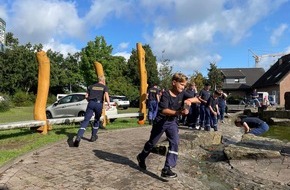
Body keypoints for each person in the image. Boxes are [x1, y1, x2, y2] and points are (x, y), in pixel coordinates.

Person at [136, 73, 200, 178]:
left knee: (175, 142)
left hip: (172, 122)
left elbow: (197, 99)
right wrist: (179, 113)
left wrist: (188, 102)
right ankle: (141, 156)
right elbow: (164, 110)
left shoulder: (183, 93)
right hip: (161, 121)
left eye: (184, 85)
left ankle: (167, 168)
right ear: (174, 83)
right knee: (152, 143)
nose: (183, 87)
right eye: (181, 84)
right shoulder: (166, 94)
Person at [73, 75, 111, 147]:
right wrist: (108, 104)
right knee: (96, 120)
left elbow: (86, 96)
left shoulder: (91, 86)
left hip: (91, 103)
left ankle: (79, 136)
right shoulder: (104, 87)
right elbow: (106, 95)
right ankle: (93, 136)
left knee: (86, 120)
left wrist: (89, 101)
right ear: (103, 80)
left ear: (98, 80)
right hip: (99, 104)